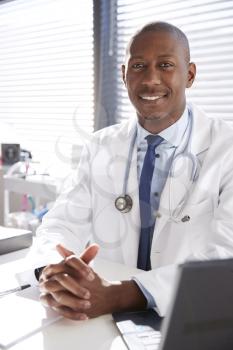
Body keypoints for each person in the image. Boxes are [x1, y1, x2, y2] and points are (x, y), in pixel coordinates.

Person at [29, 21, 233, 320]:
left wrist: (120, 294)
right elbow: (60, 224)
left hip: (193, 314)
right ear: (124, 75)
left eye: (165, 65)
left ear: (189, 75)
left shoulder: (226, 148)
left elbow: (225, 256)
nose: (151, 79)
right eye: (138, 65)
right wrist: (53, 271)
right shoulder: (100, 145)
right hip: (100, 313)